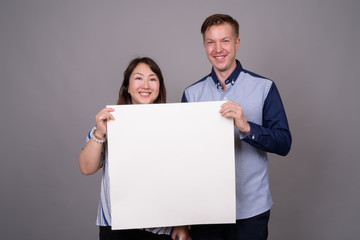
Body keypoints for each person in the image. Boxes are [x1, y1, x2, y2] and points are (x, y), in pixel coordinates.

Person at [181, 14, 292, 240]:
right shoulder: (191, 94)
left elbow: (284, 143)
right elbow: (183, 158)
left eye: (225, 40)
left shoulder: (264, 87)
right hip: (206, 211)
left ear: (237, 43)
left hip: (251, 211)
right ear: (204, 46)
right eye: (211, 42)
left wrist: (247, 127)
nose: (218, 49)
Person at [79, 57, 190, 240]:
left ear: (159, 87)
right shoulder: (108, 123)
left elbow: (182, 176)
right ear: (128, 86)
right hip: (116, 226)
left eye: (152, 79)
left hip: (161, 227)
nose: (146, 85)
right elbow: (86, 168)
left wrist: (182, 223)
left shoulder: (174, 124)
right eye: (138, 78)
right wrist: (100, 133)